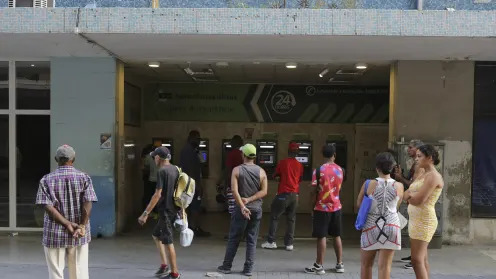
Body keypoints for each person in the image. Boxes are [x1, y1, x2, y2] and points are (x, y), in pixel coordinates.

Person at [35, 145, 98, 279]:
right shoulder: (84, 178)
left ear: (56, 159)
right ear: (73, 159)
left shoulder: (46, 179)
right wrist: (81, 225)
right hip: (78, 234)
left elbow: (47, 206)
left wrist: (66, 223)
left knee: (56, 272)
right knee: (79, 272)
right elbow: (88, 202)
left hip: (54, 234)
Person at [217, 144, 268, 277]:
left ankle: (226, 266)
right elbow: (264, 191)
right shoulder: (262, 172)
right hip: (256, 209)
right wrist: (250, 199)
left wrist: (243, 206)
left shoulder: (237, 170)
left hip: (241, 209)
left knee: (234, 237)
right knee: (252, 239)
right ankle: (248, 269)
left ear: (243, 155)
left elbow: (234, 191)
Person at [357, 152, 404, 279]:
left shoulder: (368, 184)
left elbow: (359, 204)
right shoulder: (399, 186)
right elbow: (397, 205)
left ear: (377, 167)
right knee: (385, 267)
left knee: (366, 265)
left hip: (371, 226)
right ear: (393, 167)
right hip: (392, 226)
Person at [138, 146, 181, 279]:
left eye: (154, 156)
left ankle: (175, 274)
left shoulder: (162, 171)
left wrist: (145, 213)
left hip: (166, 211)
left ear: (159, 158)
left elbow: (157, 194)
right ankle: (164, 265)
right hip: (172, 209)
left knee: (168, 242)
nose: (154, 158)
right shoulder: (175, 169)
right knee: (156, 235)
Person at [403, 144, 444, 279]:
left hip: (424, 220)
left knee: (416, 260)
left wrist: (410, 196)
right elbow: (405, 194)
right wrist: (410, 196)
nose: (416, 159)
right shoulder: (422, 174)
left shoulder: (433, 176)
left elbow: (419, 200)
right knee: (422, 259)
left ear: (430, 158)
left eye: (420, 156)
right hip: (416, 220)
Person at [305, 144, 345, 275]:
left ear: (323, 155)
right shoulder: (341, 170)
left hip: (321, 208)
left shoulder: (318, 171)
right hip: (336, 207)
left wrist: (311, 206)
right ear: (334, 155)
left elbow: (313, 191)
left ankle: (319, 265)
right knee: (336, 235)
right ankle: (339, 264)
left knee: (321, 236)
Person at [261, 142, 303, 251]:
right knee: (291, 219)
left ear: (288, 151)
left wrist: (279, 177)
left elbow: (275, 175)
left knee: (274, 216)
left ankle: (271, 241)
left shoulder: (282, 163)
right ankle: (289, 244)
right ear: (297, 153)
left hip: (283, 194)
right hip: (295, 195)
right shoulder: (300, 165)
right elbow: (299, 179)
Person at [392, 139, 424, 268]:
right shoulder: (415, 164)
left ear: (417, 150)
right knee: (413, 230)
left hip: (417, 201)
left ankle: (416, 259)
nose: (408, 150)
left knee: (417, 231)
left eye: (410, 147)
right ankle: (414, 256)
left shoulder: (419, 166)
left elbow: (414, 185)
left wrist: (400, 178)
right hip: (413, 200)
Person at [179, 130, 211, 237]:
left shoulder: (192, 150)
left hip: (187, 183)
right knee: (195, 206)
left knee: (189, 206)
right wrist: (197, 185)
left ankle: (188, 227)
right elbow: (190, 170)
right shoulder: (188, 151)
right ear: (191, 138)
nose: (199, 141)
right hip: (191, 184)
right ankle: (194, 228)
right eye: (197, 139)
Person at [224, 135, 244, 215]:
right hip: (243, 185)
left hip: (233, 185)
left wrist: (225, 184)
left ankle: (234, 225)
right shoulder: (243, 154)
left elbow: (228, 170)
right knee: (241, 206)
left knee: (233, 210)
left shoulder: (231, 154)